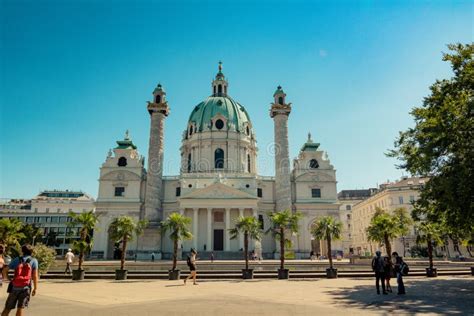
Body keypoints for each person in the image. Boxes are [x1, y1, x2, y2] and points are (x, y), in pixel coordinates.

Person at [2, 244, 39, 316]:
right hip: (26, 287)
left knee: (7, 308)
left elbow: (4, 270)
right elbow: (35, 276)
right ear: (31, 252)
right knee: (20, 308)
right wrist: (35, 288)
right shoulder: (34, 261)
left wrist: (9, 279)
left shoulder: (16, 259)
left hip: (14, 287)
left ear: (22, 251)